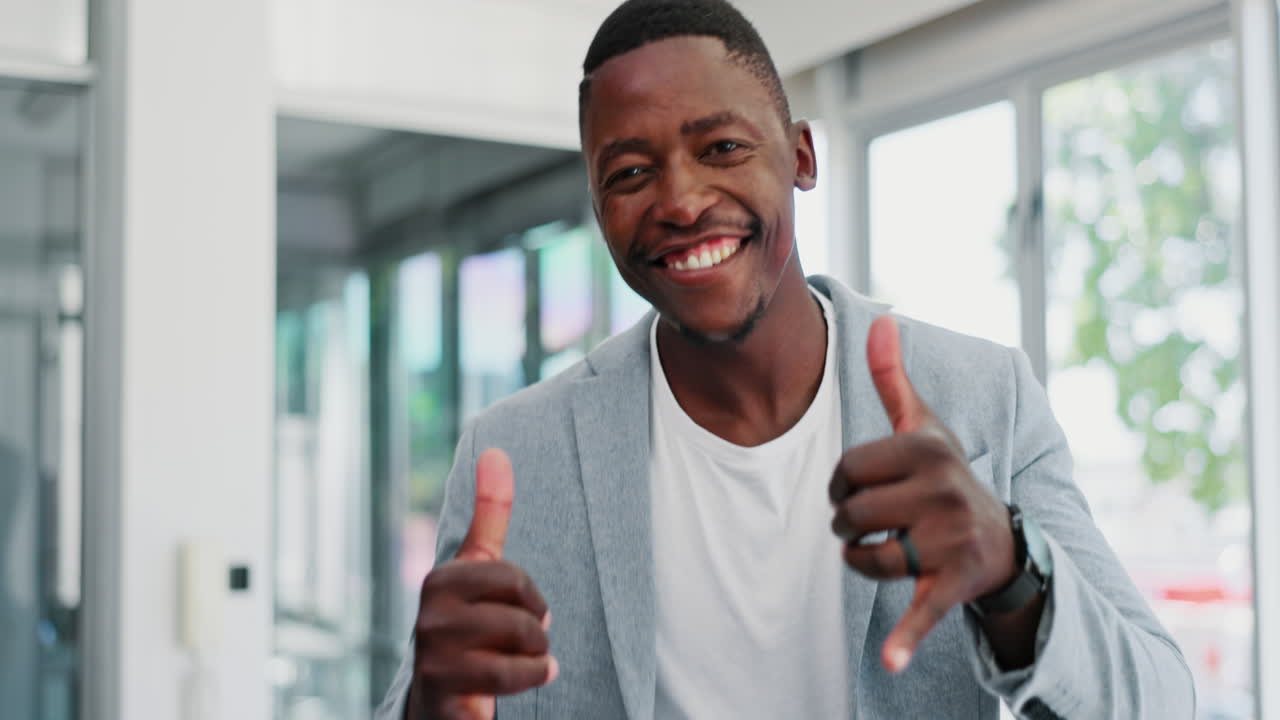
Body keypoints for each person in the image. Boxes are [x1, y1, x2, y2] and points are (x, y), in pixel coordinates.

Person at [378, 1, 1195, 717]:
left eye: (723, 147)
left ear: (801, 156)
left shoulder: (984, 399)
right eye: (629, 173)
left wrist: (1014, 571)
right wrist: (430, 706)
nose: (682, 200)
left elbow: (1159, 701)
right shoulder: (517, 454)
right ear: (599, 211)